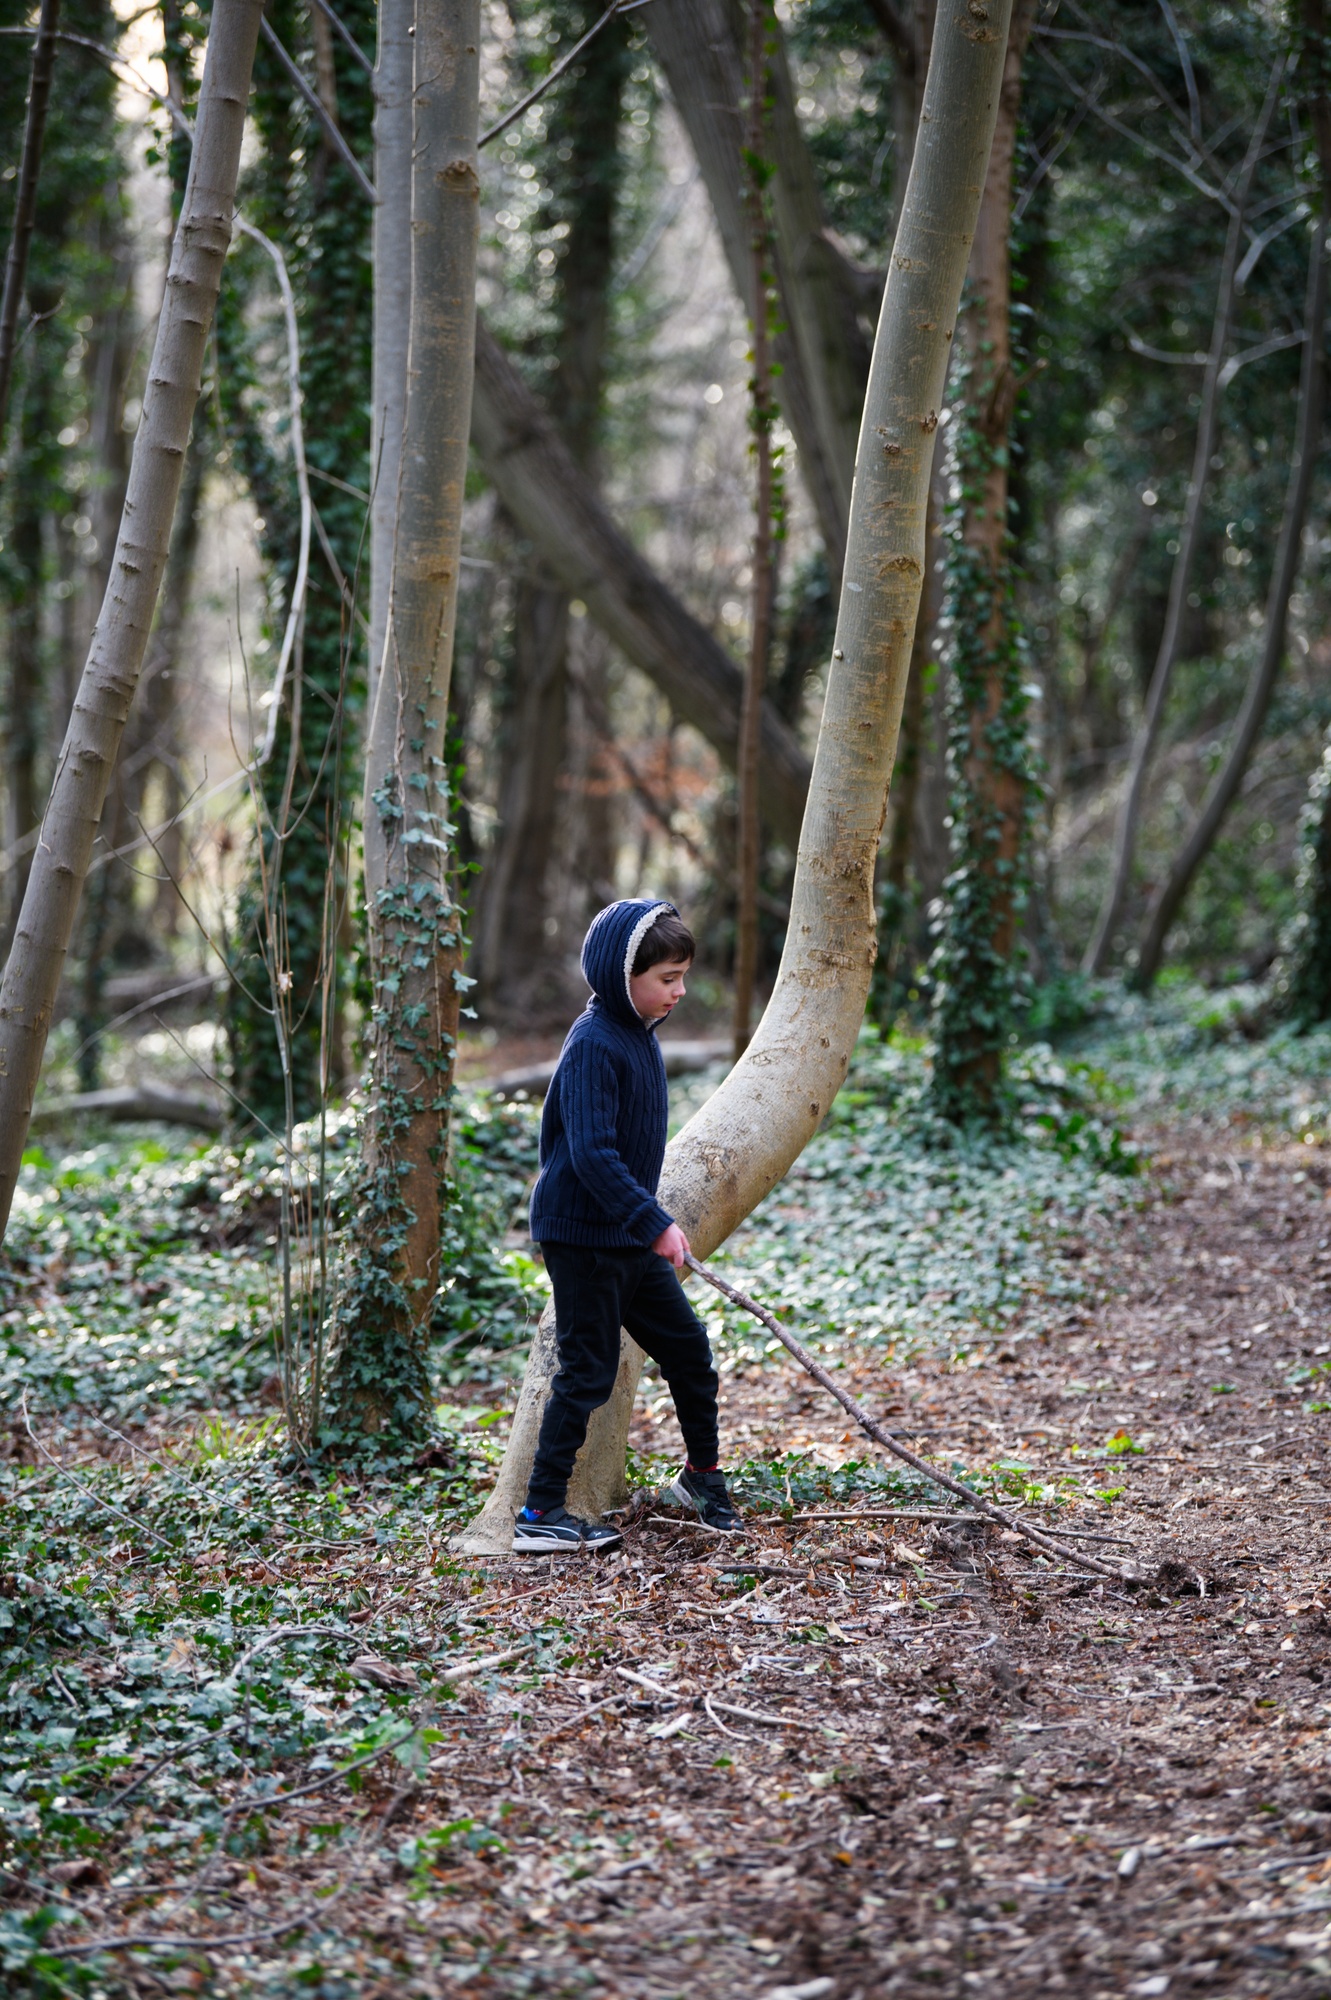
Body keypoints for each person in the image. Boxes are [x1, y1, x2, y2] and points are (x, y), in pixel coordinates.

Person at [513, 898, 742, 1553]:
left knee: (689, 1351)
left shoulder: (639, 1034)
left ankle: (700, 1478)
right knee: (586, 1371)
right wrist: (655, 1223)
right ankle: (540, 1514)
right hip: (583, 1237)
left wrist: (644, 1226)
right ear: (623, 976)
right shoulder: (593, 1043)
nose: (679, 991)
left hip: (625, 1237)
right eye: (667, 978)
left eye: (682, 976)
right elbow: (590, 1154)